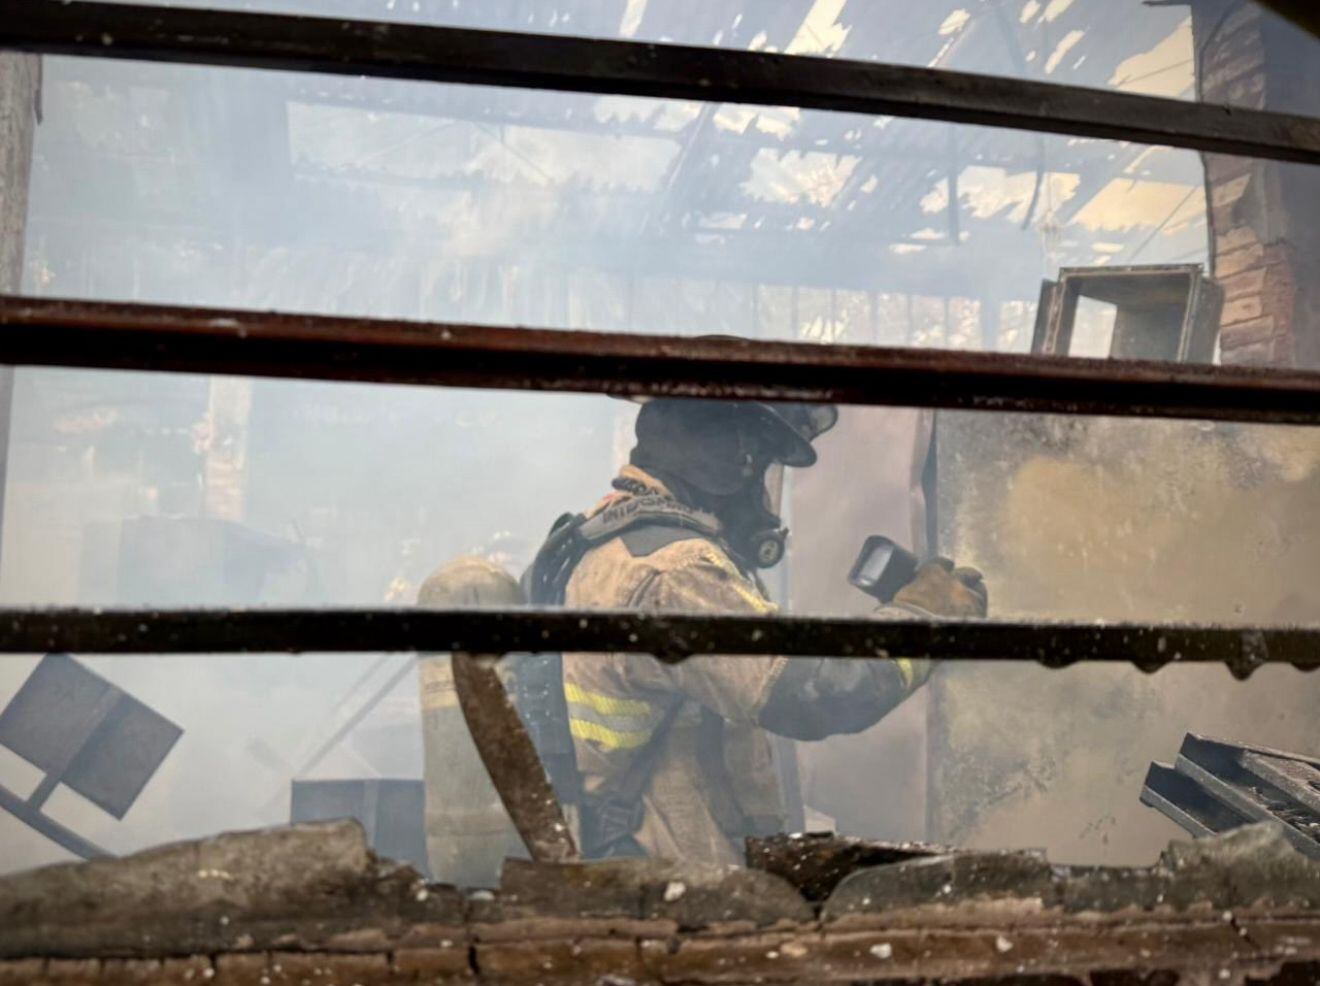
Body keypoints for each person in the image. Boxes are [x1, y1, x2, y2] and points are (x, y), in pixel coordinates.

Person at [524, 397, 988, 865]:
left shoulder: (597, 545)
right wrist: (924, 619)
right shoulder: (677, 573)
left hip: (618, 866)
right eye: (765, 470)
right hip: (667, 884)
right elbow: (818, 693)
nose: (765, 500)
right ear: (730, 464)